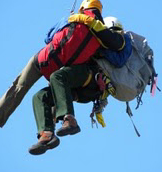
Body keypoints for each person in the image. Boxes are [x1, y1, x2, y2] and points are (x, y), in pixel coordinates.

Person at [0, 0, 125, 141]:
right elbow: (118, 45)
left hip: (42, 61)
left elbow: (48, 37)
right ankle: (52, 129)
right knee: (56, 89)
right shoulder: (102, 37)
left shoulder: (72, 18)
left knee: (19, 87)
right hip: (60, 68)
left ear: (83, 7)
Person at [28, 16, 132, 155]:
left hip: (92, 79)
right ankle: (46, 134)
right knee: (40, 97)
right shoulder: (96, 36)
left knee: (58, 76)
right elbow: (49, 40)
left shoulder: (122, 41)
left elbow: (119, 60)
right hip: (79, 88)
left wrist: (98, 46)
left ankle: (69, 119)